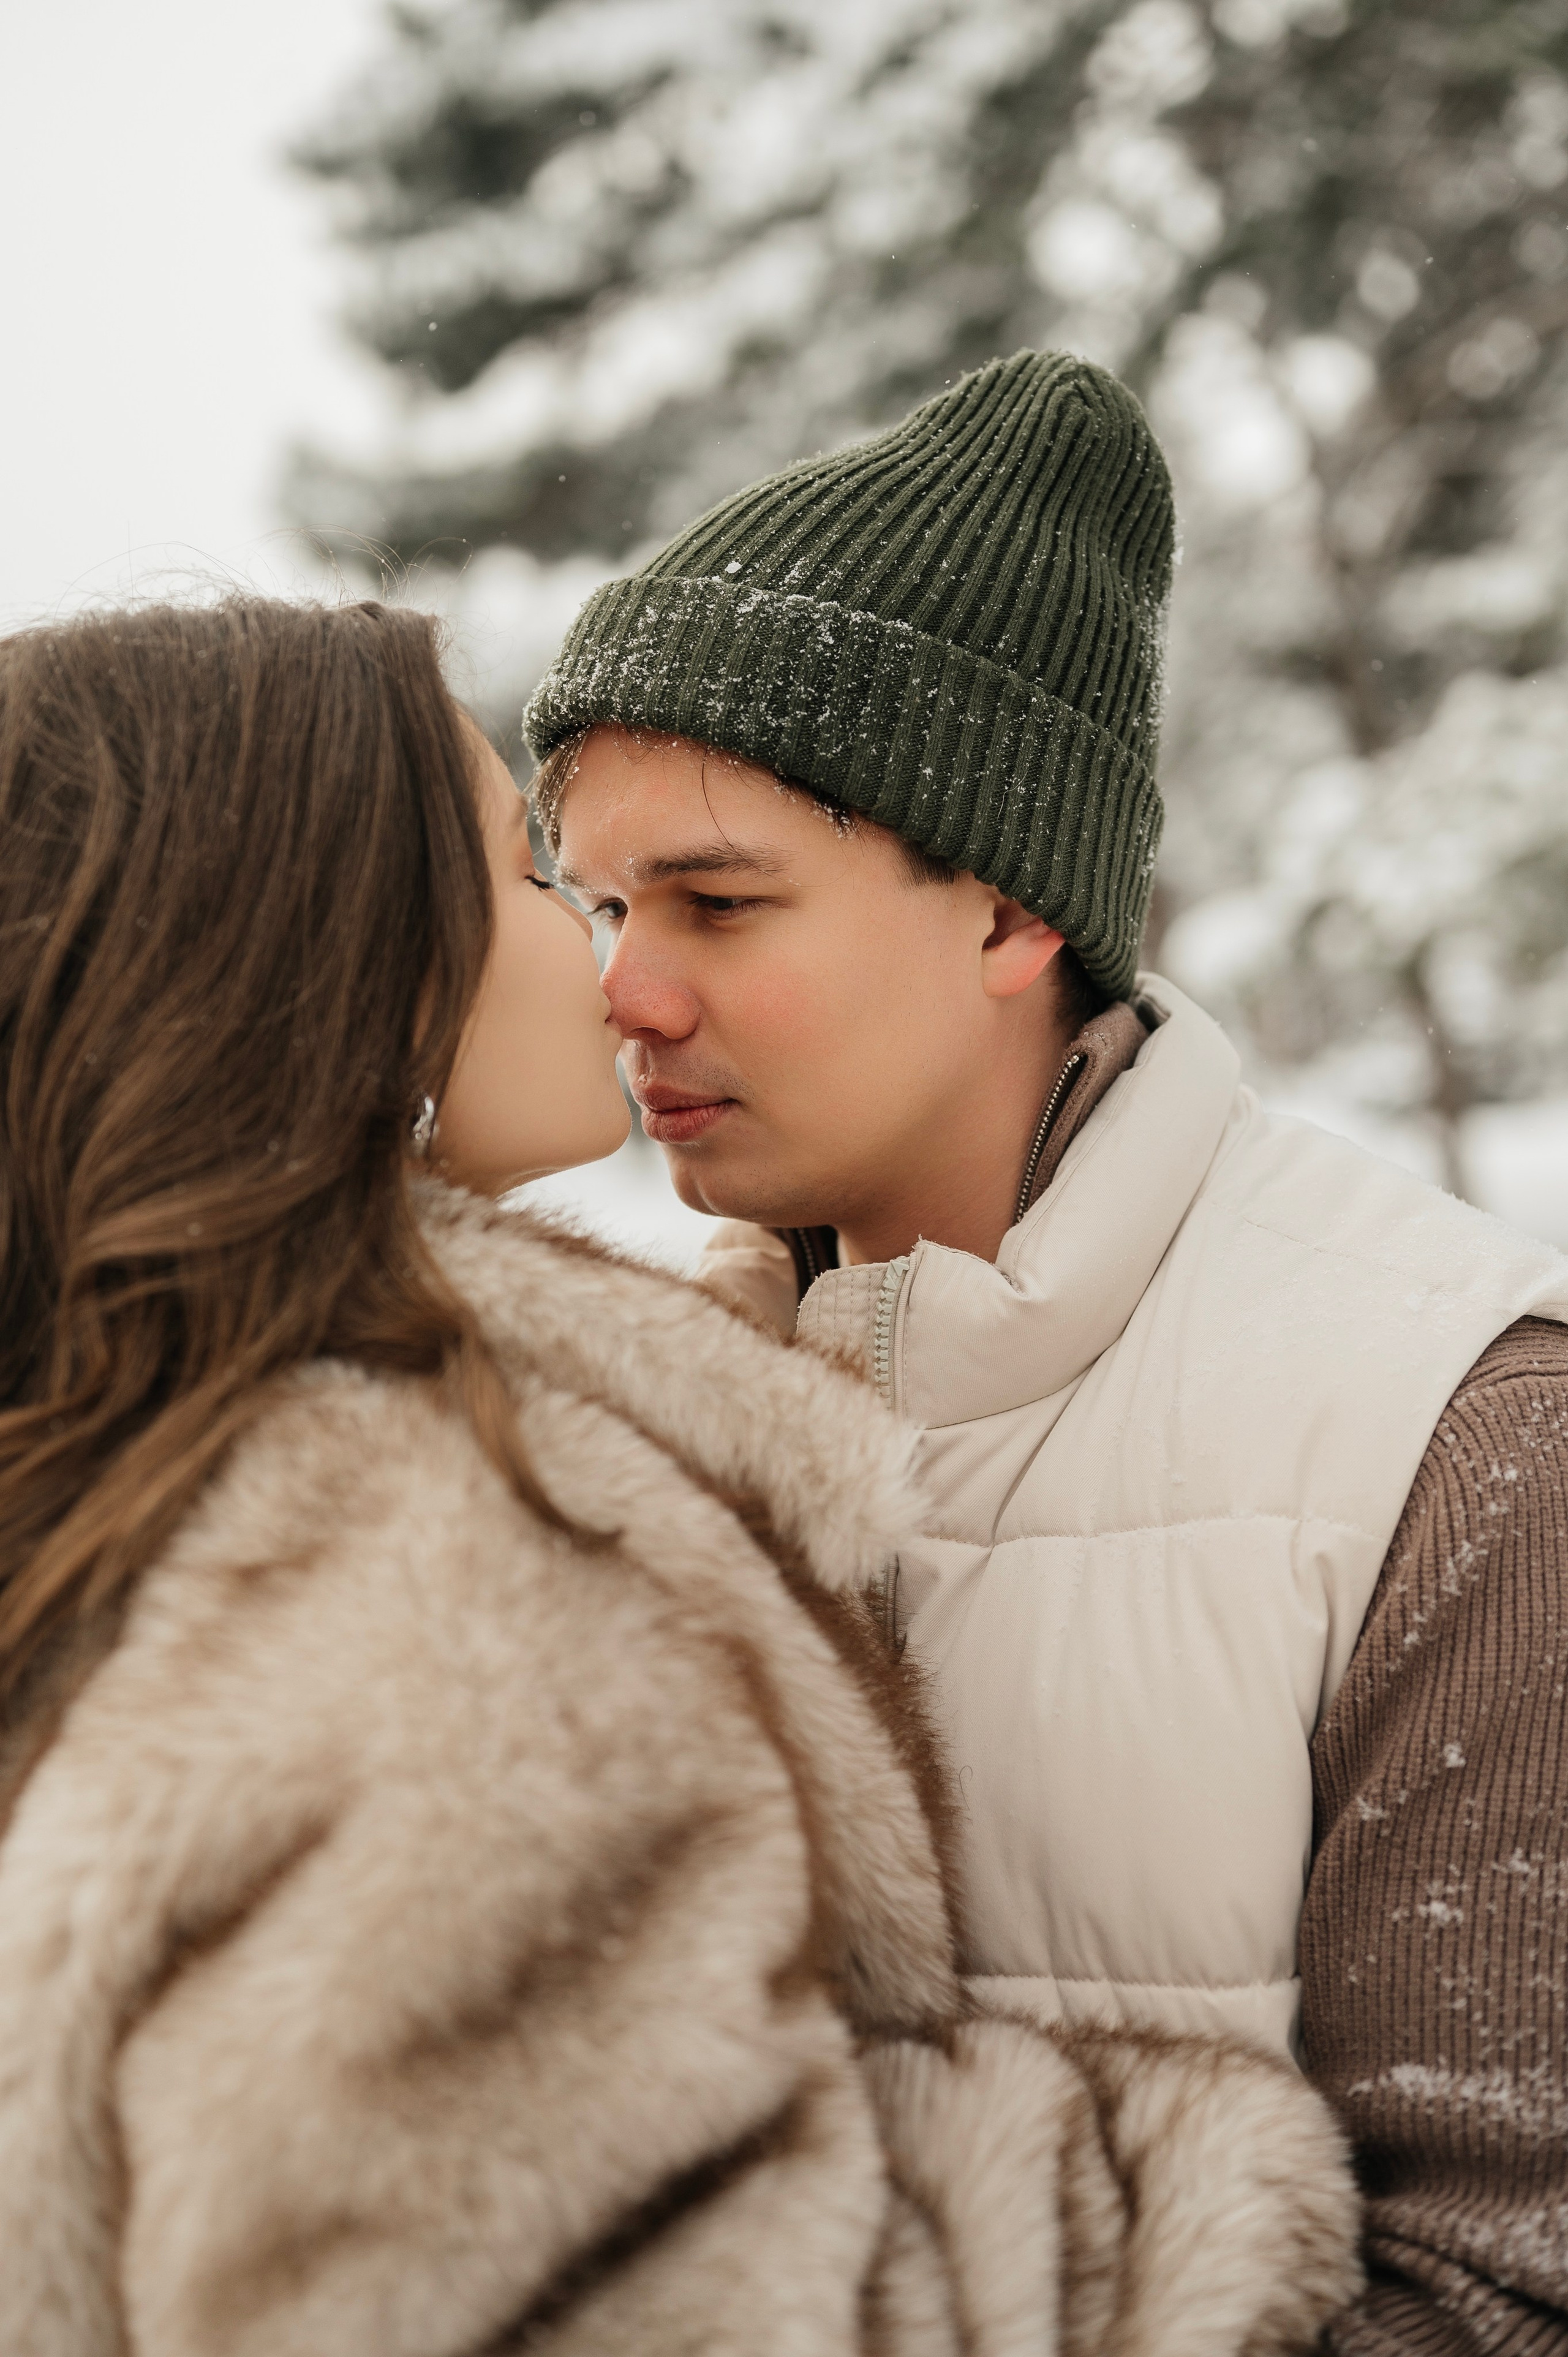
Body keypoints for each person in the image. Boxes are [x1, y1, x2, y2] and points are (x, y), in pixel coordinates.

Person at [0, 595, 1357, 2355]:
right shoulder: (434, 1582)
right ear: (326, 951)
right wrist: (1186, 2187)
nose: (617, 980)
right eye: (543, 880)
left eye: (708, 903)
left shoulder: (165, 1456)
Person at [526, 349, 1568, 2355]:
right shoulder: (616, 1433)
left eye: (717, 903)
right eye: (600, 907)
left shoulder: (1458, 1434)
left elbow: (1505, 2292)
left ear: (1008, 910)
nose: (625, 990)